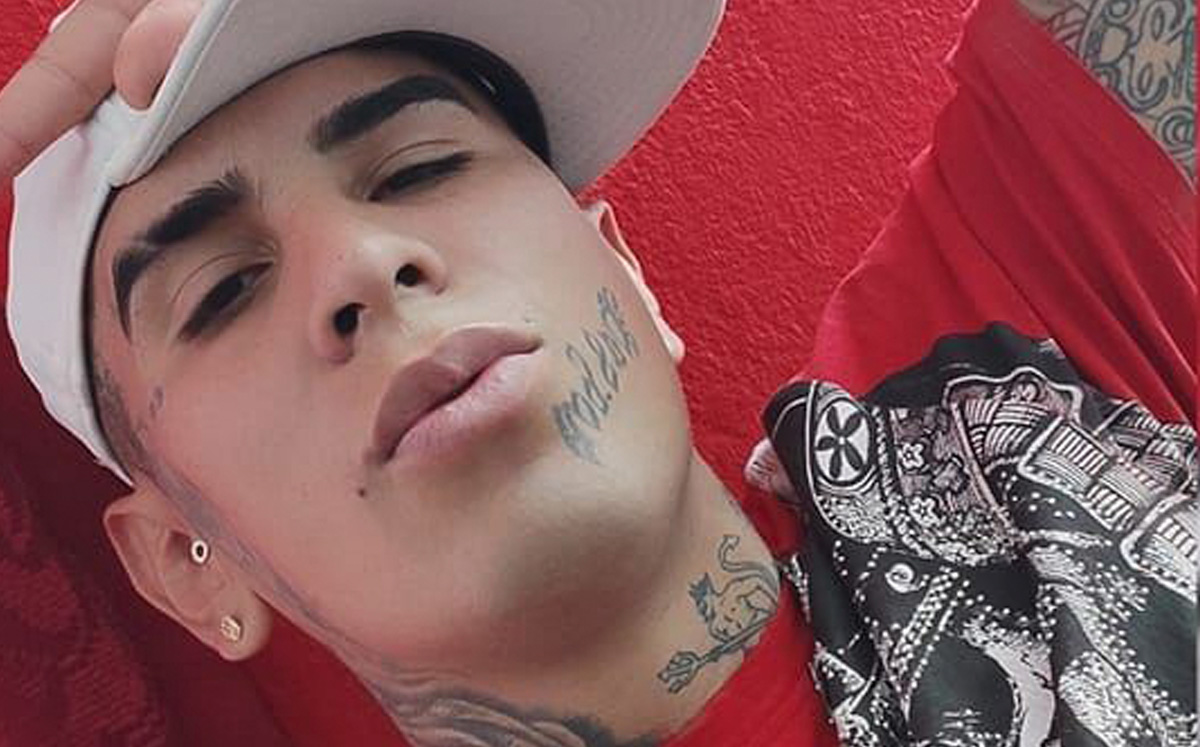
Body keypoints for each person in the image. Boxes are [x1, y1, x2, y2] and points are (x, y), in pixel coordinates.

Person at [1, 0, 1194, 745]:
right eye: (222, 291)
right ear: (184, 560)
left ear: (628, 276)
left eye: (417, 168)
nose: (362, 263)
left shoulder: (1013, 383)